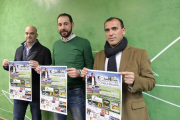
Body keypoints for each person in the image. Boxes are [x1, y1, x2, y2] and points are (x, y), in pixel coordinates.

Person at [81, 17, 155, 120]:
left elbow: (151, 82)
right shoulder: (99, 56)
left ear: (123, 31)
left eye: (114, 29)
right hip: (105, 111)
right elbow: (96, 84)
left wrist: (134, 81)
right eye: (107, 30)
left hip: (131, 113)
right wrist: (87, 77)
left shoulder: (140, 53)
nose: (110, 33)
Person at [37, 13, 94, 120]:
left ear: (72, 25)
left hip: (76, 91)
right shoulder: (55, 45)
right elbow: (54, 65)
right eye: (60, 24)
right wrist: (44, 70)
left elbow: (90, 68)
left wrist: (79, 73)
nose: (63, 27)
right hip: (57, 91)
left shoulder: (84, 42)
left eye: (66, 24)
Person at [2, 26, 52, 120]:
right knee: (17, 118)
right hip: (19, 91)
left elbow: (50, 73)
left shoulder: (45, 51)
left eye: (31, 33)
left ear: (36, 35)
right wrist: (6, 65)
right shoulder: (19, 50)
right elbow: (15, 68)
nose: (29, 35)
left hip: (36, 93)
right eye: (27, 33)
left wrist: (40, 66)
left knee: (36, 118)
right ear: (24, 34)